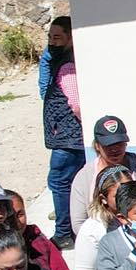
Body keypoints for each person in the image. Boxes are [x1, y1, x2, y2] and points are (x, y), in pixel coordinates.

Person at [68, 114, 136, 236]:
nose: (114, 149)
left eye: (119, 144)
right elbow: (78, 223)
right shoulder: (84, 177)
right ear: (97, 146)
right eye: (108, 145)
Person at [39, 16, 82, 248]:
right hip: (66, 136)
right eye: (49, 37)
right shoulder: (59, 62)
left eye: (57, 37)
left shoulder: (67, 66)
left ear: (70, 38)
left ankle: (64, 233)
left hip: (69, 138)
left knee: (59, 181)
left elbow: (76, 104)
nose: (52, 42)